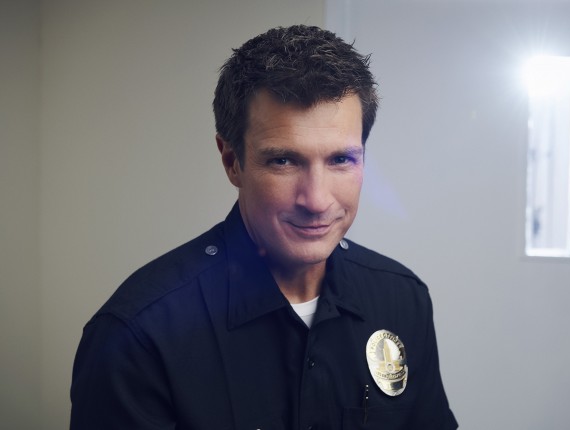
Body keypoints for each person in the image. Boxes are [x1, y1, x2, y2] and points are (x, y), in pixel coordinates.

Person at [70, 25, 458, 429]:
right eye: (283, 161)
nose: (317, 200)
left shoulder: (402, 299)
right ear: (231, 161)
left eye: (341, 160)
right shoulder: (137, 336)